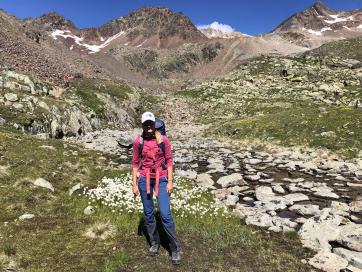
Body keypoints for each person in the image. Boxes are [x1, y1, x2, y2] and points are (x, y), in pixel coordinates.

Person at [132, 112, 181, 265]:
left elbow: (169, 160)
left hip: (162, 179)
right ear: (142, 125)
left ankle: (174, 248)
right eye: (145, 124)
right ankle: (154, 242)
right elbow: (135, 163)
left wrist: (170, 181)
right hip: (143, 180)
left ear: (154, 124)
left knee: (165, 214)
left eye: (150, 124)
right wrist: (134, 183)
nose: (148, 127)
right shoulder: (138, 142)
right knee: (148, 213)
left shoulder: (164, 140)